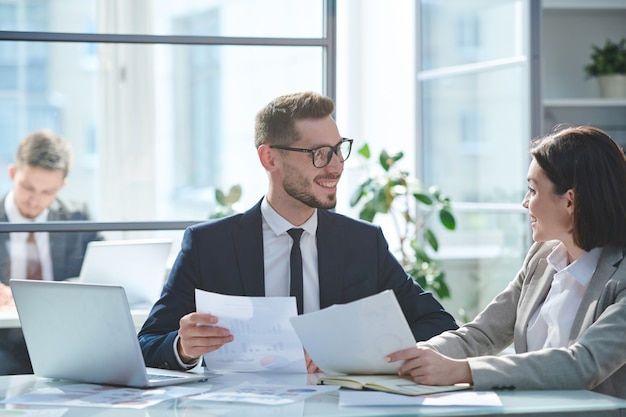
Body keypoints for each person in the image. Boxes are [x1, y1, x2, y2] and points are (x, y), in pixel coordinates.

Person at [138, 91, 458, 372]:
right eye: (319, 154)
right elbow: (147, 343)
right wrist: (183, 347)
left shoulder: (363, 243)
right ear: (270, 158)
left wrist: (352, 349)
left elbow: (439, 325)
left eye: (338, 149)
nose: (335, 167)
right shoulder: (209, 245)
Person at [387, 125, 626, 399]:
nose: (525, 203)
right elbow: (481, 335)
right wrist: (408, 358)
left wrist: (464, 371)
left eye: (533, 191)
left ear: (569, 201)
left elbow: (583, 364)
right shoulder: (541, 258)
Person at [0, 129, 102, 375]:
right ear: (13, 173)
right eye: (27, 187)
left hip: (62, 339)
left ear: (62, 186)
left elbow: (103, 273)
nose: (34, 200)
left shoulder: (78, 219)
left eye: (47, 192)